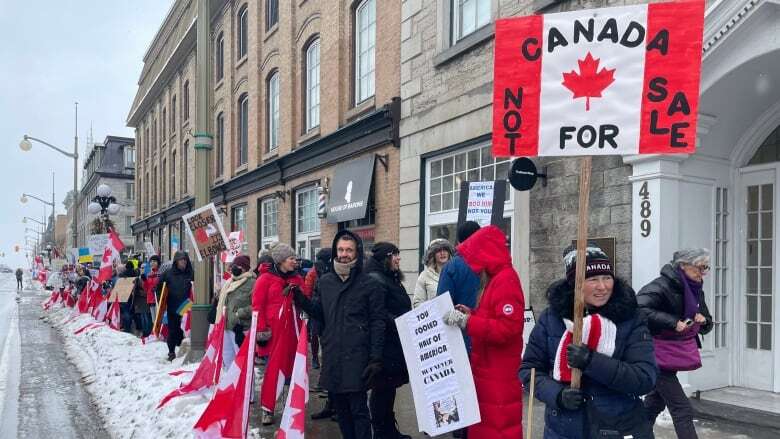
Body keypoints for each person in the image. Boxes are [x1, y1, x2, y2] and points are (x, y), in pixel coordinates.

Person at [520, 243, 657, 439]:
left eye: (607, 277)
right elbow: (529, 370)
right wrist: (557, 395)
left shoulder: (630, 318)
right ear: (574, 283)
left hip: (618, 428)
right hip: (563, 430)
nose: (602, 287)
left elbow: (645, 379)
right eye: (592, 279)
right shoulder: (552, 318)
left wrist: (592, 361)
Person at [290, 230, 386, 439]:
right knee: (341, 410)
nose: (344, 254)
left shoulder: (369, 284)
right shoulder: (326, 282)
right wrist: (301, 300)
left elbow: (378, 322)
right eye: (341, 249)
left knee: (358, 410)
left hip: (358, 356)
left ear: (357, 253)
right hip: (333, 354)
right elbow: (320, 312)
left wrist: (376, 357)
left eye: (349, 250)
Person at [441, 225, 525, 438]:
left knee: (496, 429)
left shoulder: (505, 280)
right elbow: (495, 318)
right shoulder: (498, 278)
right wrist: (473, 313)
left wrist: (468, 322)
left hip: (497, 376)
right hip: (491, 372)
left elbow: (507, 328)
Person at [637, 248, 714, 439]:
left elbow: (707, 323)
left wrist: (703, 321)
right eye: (700, 267)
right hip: (655, 354)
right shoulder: (662, 286)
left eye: (706, 268)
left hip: (671, 354)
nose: (703, 273)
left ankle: (636, 434)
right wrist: (673, 322)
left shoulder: (695, 289)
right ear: (683, 266)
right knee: (682, 409)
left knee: (654, 403)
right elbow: (637, 308)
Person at [252, 242, 305, 425]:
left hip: (293, 333)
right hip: (273, 334)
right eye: (291, 258)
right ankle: (268, 408)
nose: (295, 261)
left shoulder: (297, 279)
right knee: (273, 371)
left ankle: (290, 406)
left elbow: (304, 301)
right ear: (281, 260)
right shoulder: (264, 279)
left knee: (292, 370)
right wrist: (261, 331)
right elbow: (257, 307)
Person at [364, 242, 412, 439]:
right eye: (395, 255)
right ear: (385, 258)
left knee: (389, 388)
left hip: (393, 343)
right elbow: (378, 313)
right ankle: (382, 432)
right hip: (383, 345)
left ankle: (389, 430)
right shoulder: (376, 280)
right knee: (381, 389)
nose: (398, 258)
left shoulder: (388, 278)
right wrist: (400, 322)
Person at [215, 255, 256, 368]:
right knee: (228, 359)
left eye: (237, 266)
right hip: (226, 326)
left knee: (242, 362)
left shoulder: (252, 283)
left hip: (241, 327)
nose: (234, 268)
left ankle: (243, 385)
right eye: (233, 265)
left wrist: (240, 313)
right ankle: (230, 383)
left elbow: (256, 306)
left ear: (244, 268)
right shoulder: (229, 282)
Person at [157, 251, 194, 361]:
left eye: (185, 260)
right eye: (181, 260)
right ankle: (171, 352)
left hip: (186, 307)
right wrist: (161, 301)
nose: (184, 262)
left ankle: (183, 351)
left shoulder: (191, 273)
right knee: (173, 330)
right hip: (173, 307)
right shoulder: (168, 274)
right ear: (176, 261)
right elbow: (159, 288)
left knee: (185, 330)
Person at [413, 239, 455, 308]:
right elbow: (417, 304)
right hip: (435, 317)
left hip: (455, 317)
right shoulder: (425, 275)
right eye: (438, 250)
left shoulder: (456, 273)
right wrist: (434, 306)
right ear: (432, 254)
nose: (442, 253)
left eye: (445, 249)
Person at [143, 255, 161, 322]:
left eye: (154, 261)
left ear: (158, 263)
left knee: (159, 319)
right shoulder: (149, 274)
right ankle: (155, 332)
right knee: (154, 320)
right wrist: (144, 281)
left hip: (158, 298)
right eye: (151, 261)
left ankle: (159, 332)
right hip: (150, 299)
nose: (152, 263)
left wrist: (157, 288)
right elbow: (146, 288)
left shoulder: (160, 273)